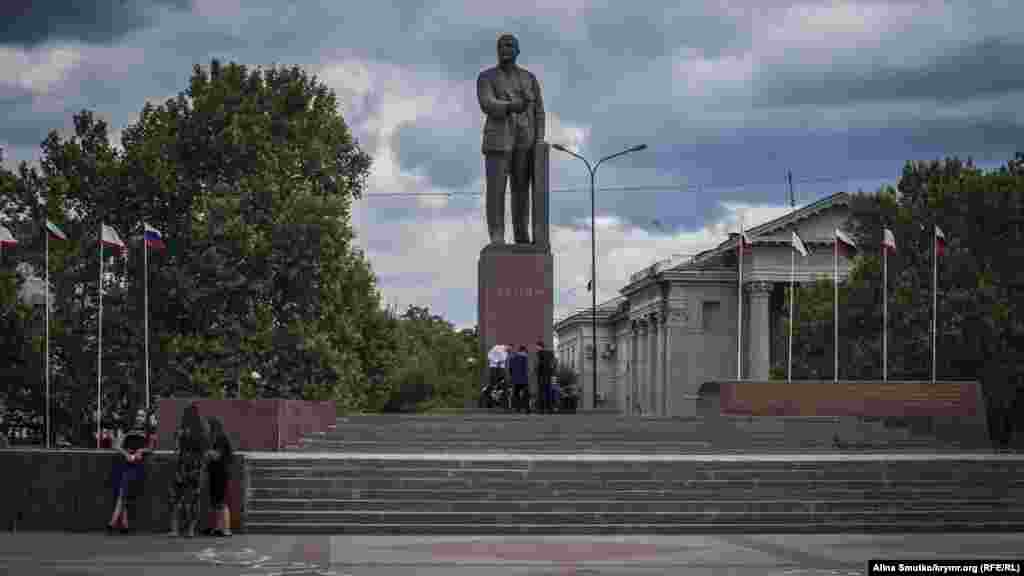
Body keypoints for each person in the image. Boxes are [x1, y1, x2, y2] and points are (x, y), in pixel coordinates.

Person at [477, 33, 545, 245]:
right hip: (498, 140)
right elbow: (486, 103)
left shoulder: (529, 78)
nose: (505, 48)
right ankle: (497, 235)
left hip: (525, 140)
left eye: (510, 45)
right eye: (501, 45)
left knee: (521, 192)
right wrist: (509, 107)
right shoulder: (486, 77)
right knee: (496, 191)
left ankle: (521, 235)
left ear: (517, 50)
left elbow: (539, 111)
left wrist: (539, 141)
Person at [106, 408, 154, 534]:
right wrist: (127, 454)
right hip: (126, 463)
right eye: (138, 415)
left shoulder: (148, 431)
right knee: (123, 492)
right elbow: (116, 446)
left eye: (142, 416)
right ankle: (118, 524)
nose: (140, 418)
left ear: (145, 418)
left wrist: (140, 452)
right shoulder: (128, 429)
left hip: (138, 465)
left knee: (124, 493)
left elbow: (151, 447)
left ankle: (116, 523)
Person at [167, 402, 209, 537]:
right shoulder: (202, 429)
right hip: (196, 466)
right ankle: (190, 530)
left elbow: (176, 449)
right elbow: (204, 449)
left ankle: (175, 529)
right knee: (193, 499)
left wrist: (180, 437)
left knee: (176, 499)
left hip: (183, 465)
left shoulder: (183, 429)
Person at [205, 417, 234, 537]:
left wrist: (207, 453)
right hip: (214, 473)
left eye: (207, 426)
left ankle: (226, 529)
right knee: (215, 502)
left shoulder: (221, 438)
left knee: (221, 502)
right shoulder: (213, 439)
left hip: (221, 473)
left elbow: (217, 456)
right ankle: (218, 528)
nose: (205, 428)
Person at [535, 340, 556, 413]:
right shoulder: (550, 353)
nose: (536, 348)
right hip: (549, 375)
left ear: (539, 346)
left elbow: (539, 364)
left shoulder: (539, 353)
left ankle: (541, 409)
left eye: (537, 347)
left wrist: (537, 371)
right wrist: (552, 372)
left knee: (541, 392)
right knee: (548, 392)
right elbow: (554, 363)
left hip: (542, 376)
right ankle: (550, 408)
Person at [508, 345, 530, 413]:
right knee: (525, 394)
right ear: (524, 351)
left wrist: (512, 377)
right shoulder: (525, 358)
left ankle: (517, 408)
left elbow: (510, 369)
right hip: (524, 379)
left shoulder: (512, 358)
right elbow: (526, 369)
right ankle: (526, 408)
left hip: (515, 379)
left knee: (516, 394)